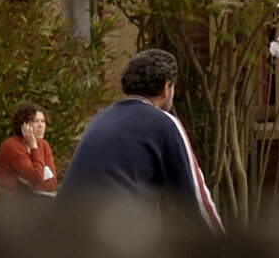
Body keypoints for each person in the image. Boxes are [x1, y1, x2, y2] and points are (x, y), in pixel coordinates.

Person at [60, 49, 223, 232]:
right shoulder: (163, 123)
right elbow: (196, 200)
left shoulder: (100, 118)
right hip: (111, 236)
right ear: (166, 88)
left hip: (64, 234)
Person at [0, 103, 59, 200]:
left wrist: (30, 184)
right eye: (35, 121)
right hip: (11, 202)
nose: (41, 125)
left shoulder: (44, 145)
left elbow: (51, 184)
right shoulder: (12, 146)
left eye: (43, 121)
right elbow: (37, 176)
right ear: (23, 125)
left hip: (35, 198)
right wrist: (33, 146)